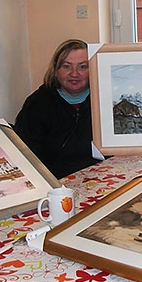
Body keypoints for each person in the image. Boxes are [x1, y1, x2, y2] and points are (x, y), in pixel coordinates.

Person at [14, 39, 99, 179]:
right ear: (55, 70)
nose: (74, 74)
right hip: (56, 181)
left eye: (83, 67)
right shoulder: (37, 105)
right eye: (66, 66)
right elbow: (26, 157)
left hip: (102, 175)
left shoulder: (106, 100)